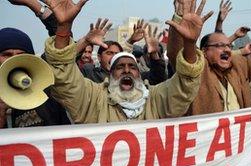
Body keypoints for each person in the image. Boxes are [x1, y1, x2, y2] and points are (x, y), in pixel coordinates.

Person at [43, 0, 207, 123]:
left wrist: (190, 44)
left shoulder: (155, 98)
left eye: (132, 66)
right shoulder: (93, 98)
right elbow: (63, 76)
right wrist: (63, 27)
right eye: (120, 66)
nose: (127, 70)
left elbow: (186, 83)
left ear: (139, 73)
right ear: (111, 73)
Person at [167, 0, 251, 115]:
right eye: (219, 45)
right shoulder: (197, 71)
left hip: (240, 141)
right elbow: (179, 55)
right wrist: (181, 20)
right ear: (204, 51)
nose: (227, 50)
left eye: (229, 46)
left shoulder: (240, 66)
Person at [0, 27, 71, 128]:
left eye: (21, 55)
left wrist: (63, 24)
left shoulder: (46, 92)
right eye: (7, 55)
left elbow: (62, 51)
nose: (14, 59)